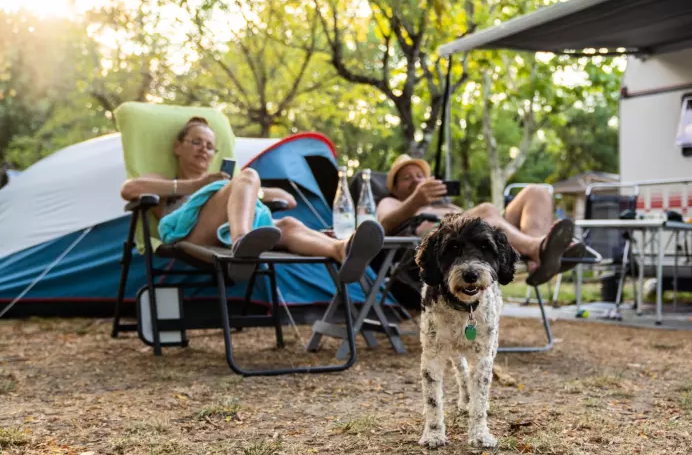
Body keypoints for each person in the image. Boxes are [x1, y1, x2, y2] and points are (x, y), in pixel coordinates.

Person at [120, 117, 383, 281]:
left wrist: (245, 188)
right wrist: (197, 185)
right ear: (178, 147)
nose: (204, 149)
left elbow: (286, 199)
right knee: (247, 176)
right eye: (196, 142)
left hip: (229, 225)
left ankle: (341, 250)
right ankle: (241, 243)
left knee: (289, 223)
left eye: (210, 146)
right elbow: (130, 189)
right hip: (190, 236)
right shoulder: (165, 179)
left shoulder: (224, 182)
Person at [376, 154, 582, 285]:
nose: (416, 181)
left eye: (420, 175)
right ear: (394, 187)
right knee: (486, 210)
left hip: (486, 238)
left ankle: (538, 256)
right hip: (452, 245)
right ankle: (539, 251)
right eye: (407, 178)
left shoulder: (442, 203)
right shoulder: (391, 201)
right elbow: (384, 224)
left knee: (536, 192)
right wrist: (415, 201)